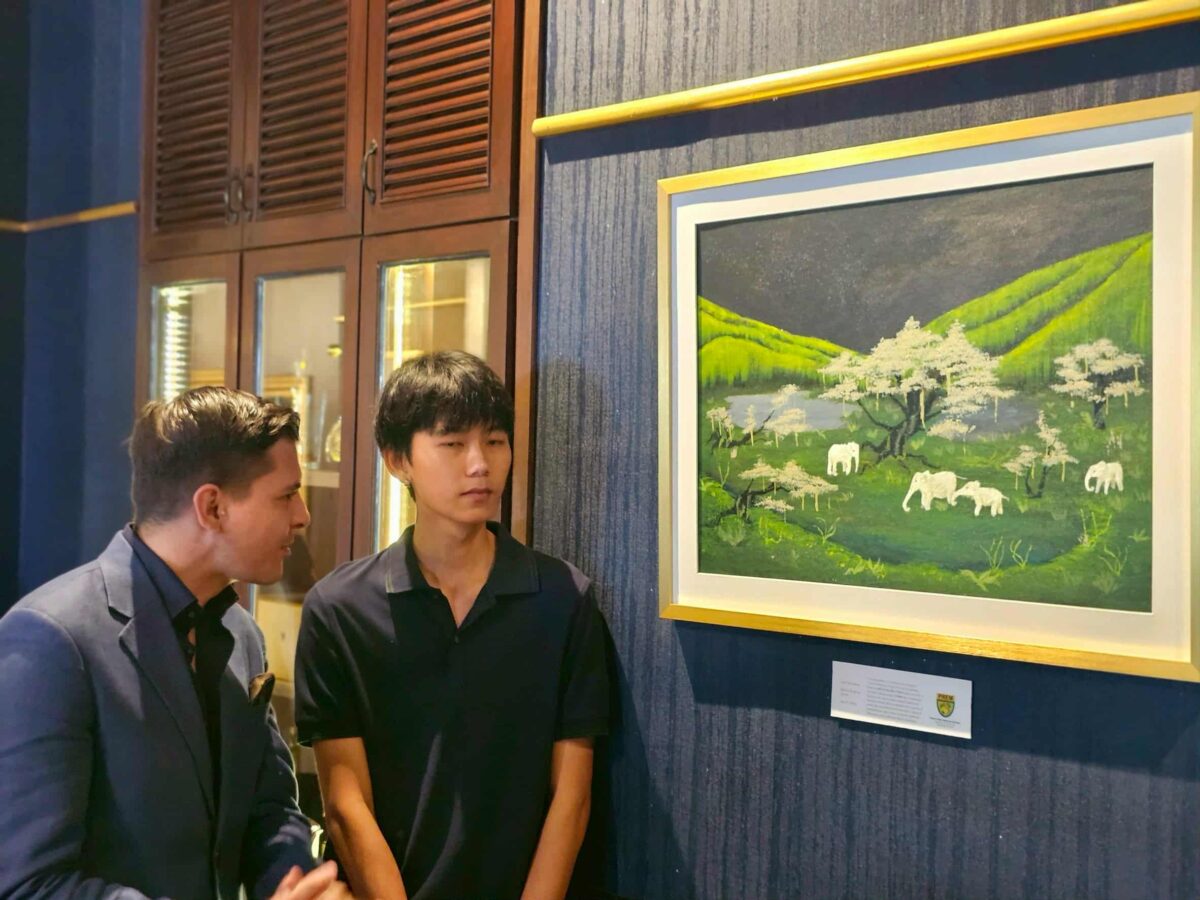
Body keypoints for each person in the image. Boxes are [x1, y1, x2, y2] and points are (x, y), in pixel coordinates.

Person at [0, 387, 349, 900]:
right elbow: (29, 883)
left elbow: (269, 810)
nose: (303, 515)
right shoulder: (51, 639)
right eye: (286, 495)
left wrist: (294, 883)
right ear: (212, 507)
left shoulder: (241, 633)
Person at [295, 351, 610, 900]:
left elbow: (572, 797)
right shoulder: (339, 608)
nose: (480, 464)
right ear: (398, 460)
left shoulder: (562, 598)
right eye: (453, 444)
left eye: (495, 441)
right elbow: (346, 805)